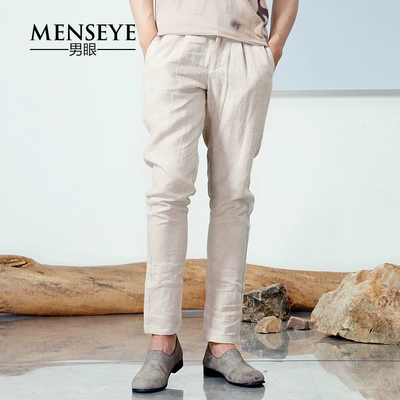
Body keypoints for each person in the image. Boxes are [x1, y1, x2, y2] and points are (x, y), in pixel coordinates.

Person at [129, 0, 298, 393]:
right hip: (175, 43)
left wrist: (273, 49)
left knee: (233, 196)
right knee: (167, 192)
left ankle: (223, 342)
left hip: (243, 47)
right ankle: (161, 341)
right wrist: (150, 38)